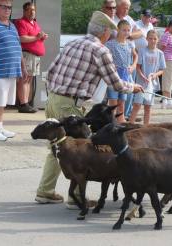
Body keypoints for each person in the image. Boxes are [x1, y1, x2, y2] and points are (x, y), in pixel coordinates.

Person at [34, 11, 142, 206]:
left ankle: (45, 191)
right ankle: (76, 197)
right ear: (105, 32)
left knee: (57, 148)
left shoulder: (73, 43)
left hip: (54, 99)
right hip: (71, 104)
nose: (109, 35)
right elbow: (115, 83)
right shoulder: (100, 50)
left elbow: (50, 73)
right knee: (79, 150)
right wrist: (133, 87)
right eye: (110, 31)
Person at [0, 0, 27, 141]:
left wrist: (23, 67)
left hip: (12, 70)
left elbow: (18, 47)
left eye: (9, 7)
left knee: (3, 101)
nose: (7, 10)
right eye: (4, 7)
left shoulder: (12, 26)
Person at [15, 2, 48, 113]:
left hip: (35, 56)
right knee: (24, 79)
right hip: (26, 54)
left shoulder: (34, 23)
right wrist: (36, 37)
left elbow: (36, 36)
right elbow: (22, 38)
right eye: (29, 10)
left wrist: (42, 37)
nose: (32, 12)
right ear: (24, 11)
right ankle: (23, 104)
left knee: (28, 79)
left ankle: (27, 103)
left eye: (33, 10)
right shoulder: (21, 22)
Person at [129, 30, 166, 125]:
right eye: (150, 38)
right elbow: (138, 67)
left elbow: (162, 70)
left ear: (158, 40)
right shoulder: (142, 51)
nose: (152, 40)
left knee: (148, 107)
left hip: (151, 84)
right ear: (146, 39)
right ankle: (130, 125)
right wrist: (142, 76)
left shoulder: (160, 53)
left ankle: (146, 127)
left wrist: (154, 75)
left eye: (155, 39)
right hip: (141, 83)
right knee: (137, 105)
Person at [113, 0, 143, 119]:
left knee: (128, 93)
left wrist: (128, 35)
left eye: (128, 8)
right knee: (114, 95)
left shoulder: (129, 19)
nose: (126, 10)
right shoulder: (113, 18)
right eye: (124, 7)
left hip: (128, 61)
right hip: (116, 62)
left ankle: (124, 116)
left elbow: (140, 32)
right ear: (118, 7)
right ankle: (112, 118)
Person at [105, 20, 138, 123]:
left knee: (122, 102)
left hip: (125, 74)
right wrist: (111, 64)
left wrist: (133, 66)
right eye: (124, 30)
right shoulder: (110, 44)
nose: (126, 32)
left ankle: (121, 121)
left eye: (128, 30)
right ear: (118, 30)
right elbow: (105, 56)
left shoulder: (130, 44)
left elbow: (135, 55)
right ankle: (112, 122)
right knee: (113, 101)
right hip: (115, 74)